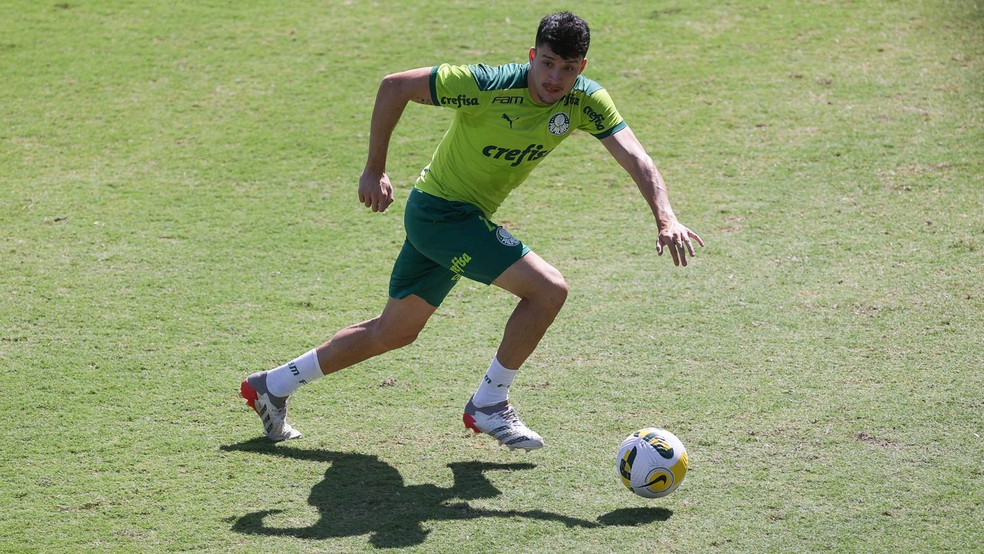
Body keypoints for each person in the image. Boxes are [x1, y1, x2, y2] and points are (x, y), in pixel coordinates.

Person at [240, 11, 703, 449]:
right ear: (531, 56)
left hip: (453, 220)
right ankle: (489, 402)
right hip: (441, 215)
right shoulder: (485, 85)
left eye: (566, 68)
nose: (554, 78)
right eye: (546, 63)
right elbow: (393, 86)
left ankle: (271, 386)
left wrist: (666, 216)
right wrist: (374, 169)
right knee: (548, 291)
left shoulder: (585, 101)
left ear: (581, 67)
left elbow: (635, 156)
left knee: (393, 331)